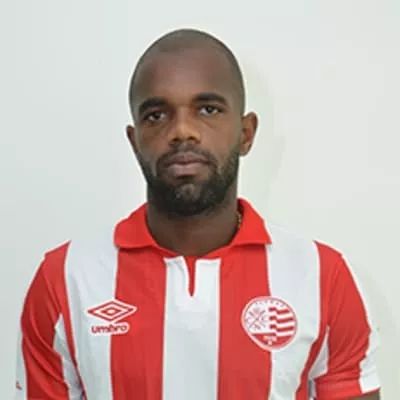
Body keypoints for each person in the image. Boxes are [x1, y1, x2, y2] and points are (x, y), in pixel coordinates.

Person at [15, 28, 381, 400]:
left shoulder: (322, 278)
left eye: (207, 110)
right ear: (134, 141)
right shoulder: (66, 279)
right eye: (156, 115)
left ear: (246, 133)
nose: (182, 131)